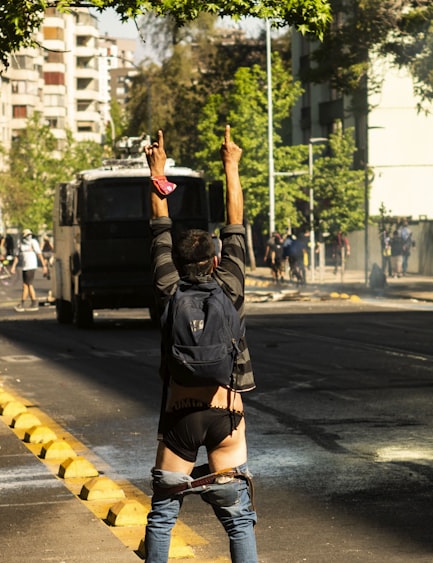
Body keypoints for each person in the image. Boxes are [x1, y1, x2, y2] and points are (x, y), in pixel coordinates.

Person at [145, 127, 257, 563]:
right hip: (226, 415)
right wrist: (231, 164)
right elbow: (235, 225)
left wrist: (157, 171)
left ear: (176, 260)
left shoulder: (167, 288)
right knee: (238, 518)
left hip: (178, 416)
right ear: (213, 260)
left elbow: (159, 226)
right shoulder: (229, 285)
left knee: (163, 514)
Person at [10, 228, 48, 311]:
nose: (29, 236)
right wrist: (13, 266)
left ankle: (24, 303)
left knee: (27, 284)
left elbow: (39, 254)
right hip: (25, 266)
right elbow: (17, 256)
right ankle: (33, 302)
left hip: (31, 265)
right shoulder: (20, 243)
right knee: (27, 284)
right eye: (27, 235)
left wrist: (44, 266)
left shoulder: (33, 242)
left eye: (30, 234)